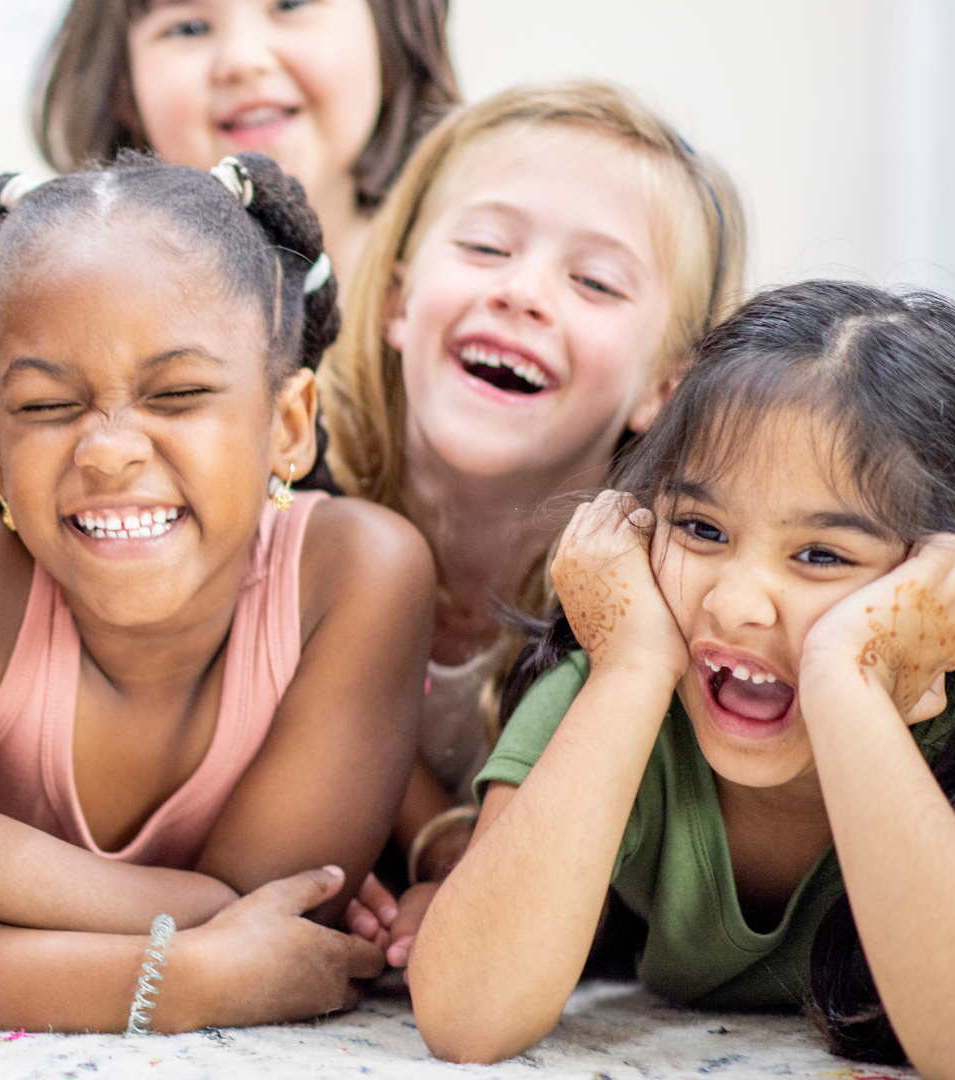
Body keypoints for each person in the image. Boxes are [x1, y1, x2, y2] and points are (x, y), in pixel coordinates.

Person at [0, 152, 434, 1032]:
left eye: (177, 394)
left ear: (288, 426)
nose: (107, 449)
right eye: (46, 407)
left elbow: (277, 917)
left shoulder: (358, 575)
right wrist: (179, 984)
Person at [409, 281, 955, 1076]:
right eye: (701, 529)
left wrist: (847, 690)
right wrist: (634, 670)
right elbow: (465, 1016)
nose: (737, 602)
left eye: (822, 556)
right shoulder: (618, 686)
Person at [318, 82, 747, 955]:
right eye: (484, 246)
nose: (522, 292)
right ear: (398, 300)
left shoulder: (659, 594)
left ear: (666, 384)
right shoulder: (292, 486)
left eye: (593, 281)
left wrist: (466, 872)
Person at [33, 0, 455, 281]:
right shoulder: (85, 305)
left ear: (389, 36)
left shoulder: (460, 286)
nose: (242, 60)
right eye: (189, 28)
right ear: (122, 89)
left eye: (291, 3)